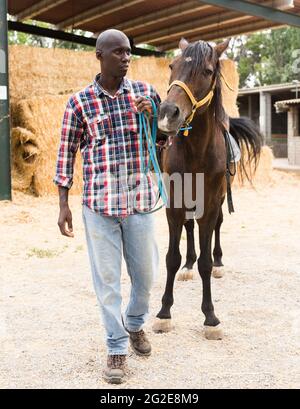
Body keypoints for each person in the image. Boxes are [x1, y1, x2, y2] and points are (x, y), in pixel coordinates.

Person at [53, 29, 160, 384]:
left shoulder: (146, 94)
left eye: (129, 52)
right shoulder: (79, 103)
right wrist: (63, 203)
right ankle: (116, 347)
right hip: (99, 207)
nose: (126, 57)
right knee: (109, 282)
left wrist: (154, 119)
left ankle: (134, 324)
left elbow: (171, 136)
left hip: (140, 203)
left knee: (145, 278)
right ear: (99, 56)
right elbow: (66, 154)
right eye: (118, 52)